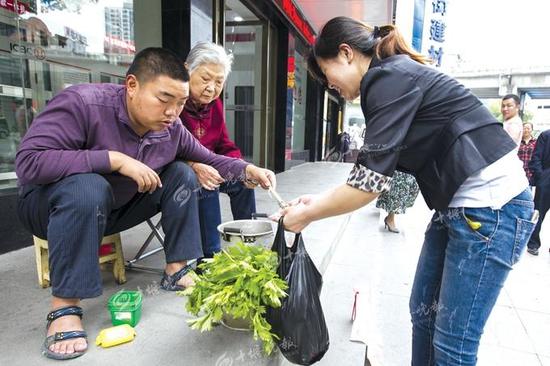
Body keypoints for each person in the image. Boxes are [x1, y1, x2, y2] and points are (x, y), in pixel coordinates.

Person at [277, 17, 535, 366]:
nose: (328, 85)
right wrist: (315, 202)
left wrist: (309, 213)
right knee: (423, 314)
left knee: (453, 345)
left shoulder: (386, 78)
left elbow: (369, 184)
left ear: (345, 53)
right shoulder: (389, 77)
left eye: (326, 73)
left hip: (491, 210)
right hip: (462, 209)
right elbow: (369, 173)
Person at [15, 47, 275, 360]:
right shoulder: (83, 104)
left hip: (115, 207)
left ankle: (177, 268)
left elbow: (208, 158)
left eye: (179, 103)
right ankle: (65, 306)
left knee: (182, 173)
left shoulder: (171, 128)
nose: (173, 112)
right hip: (51, 207)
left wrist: (249, 170)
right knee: (89, 185)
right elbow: (29, 163)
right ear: (132, 85)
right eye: (164, 99)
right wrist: (113, 160)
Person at [180, 41, 256, 260]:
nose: (211, 88)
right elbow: (165, 147)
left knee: (242, 181)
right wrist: (194, 166)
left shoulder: (214, 105)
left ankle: (247, 245)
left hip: (211, 166)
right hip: (181, 171)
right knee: (207, 183)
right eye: (205, 79)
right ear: (187, 70)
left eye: (218, 82)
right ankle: (210, 257)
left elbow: (225, 145)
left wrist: (243, 169)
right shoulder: (175, 102)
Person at [527, 128, 550, 256]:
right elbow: (536, 157)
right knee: (538, 213)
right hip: (546, 178)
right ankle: (533, 243)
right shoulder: (546, 135)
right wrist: (542, 177)